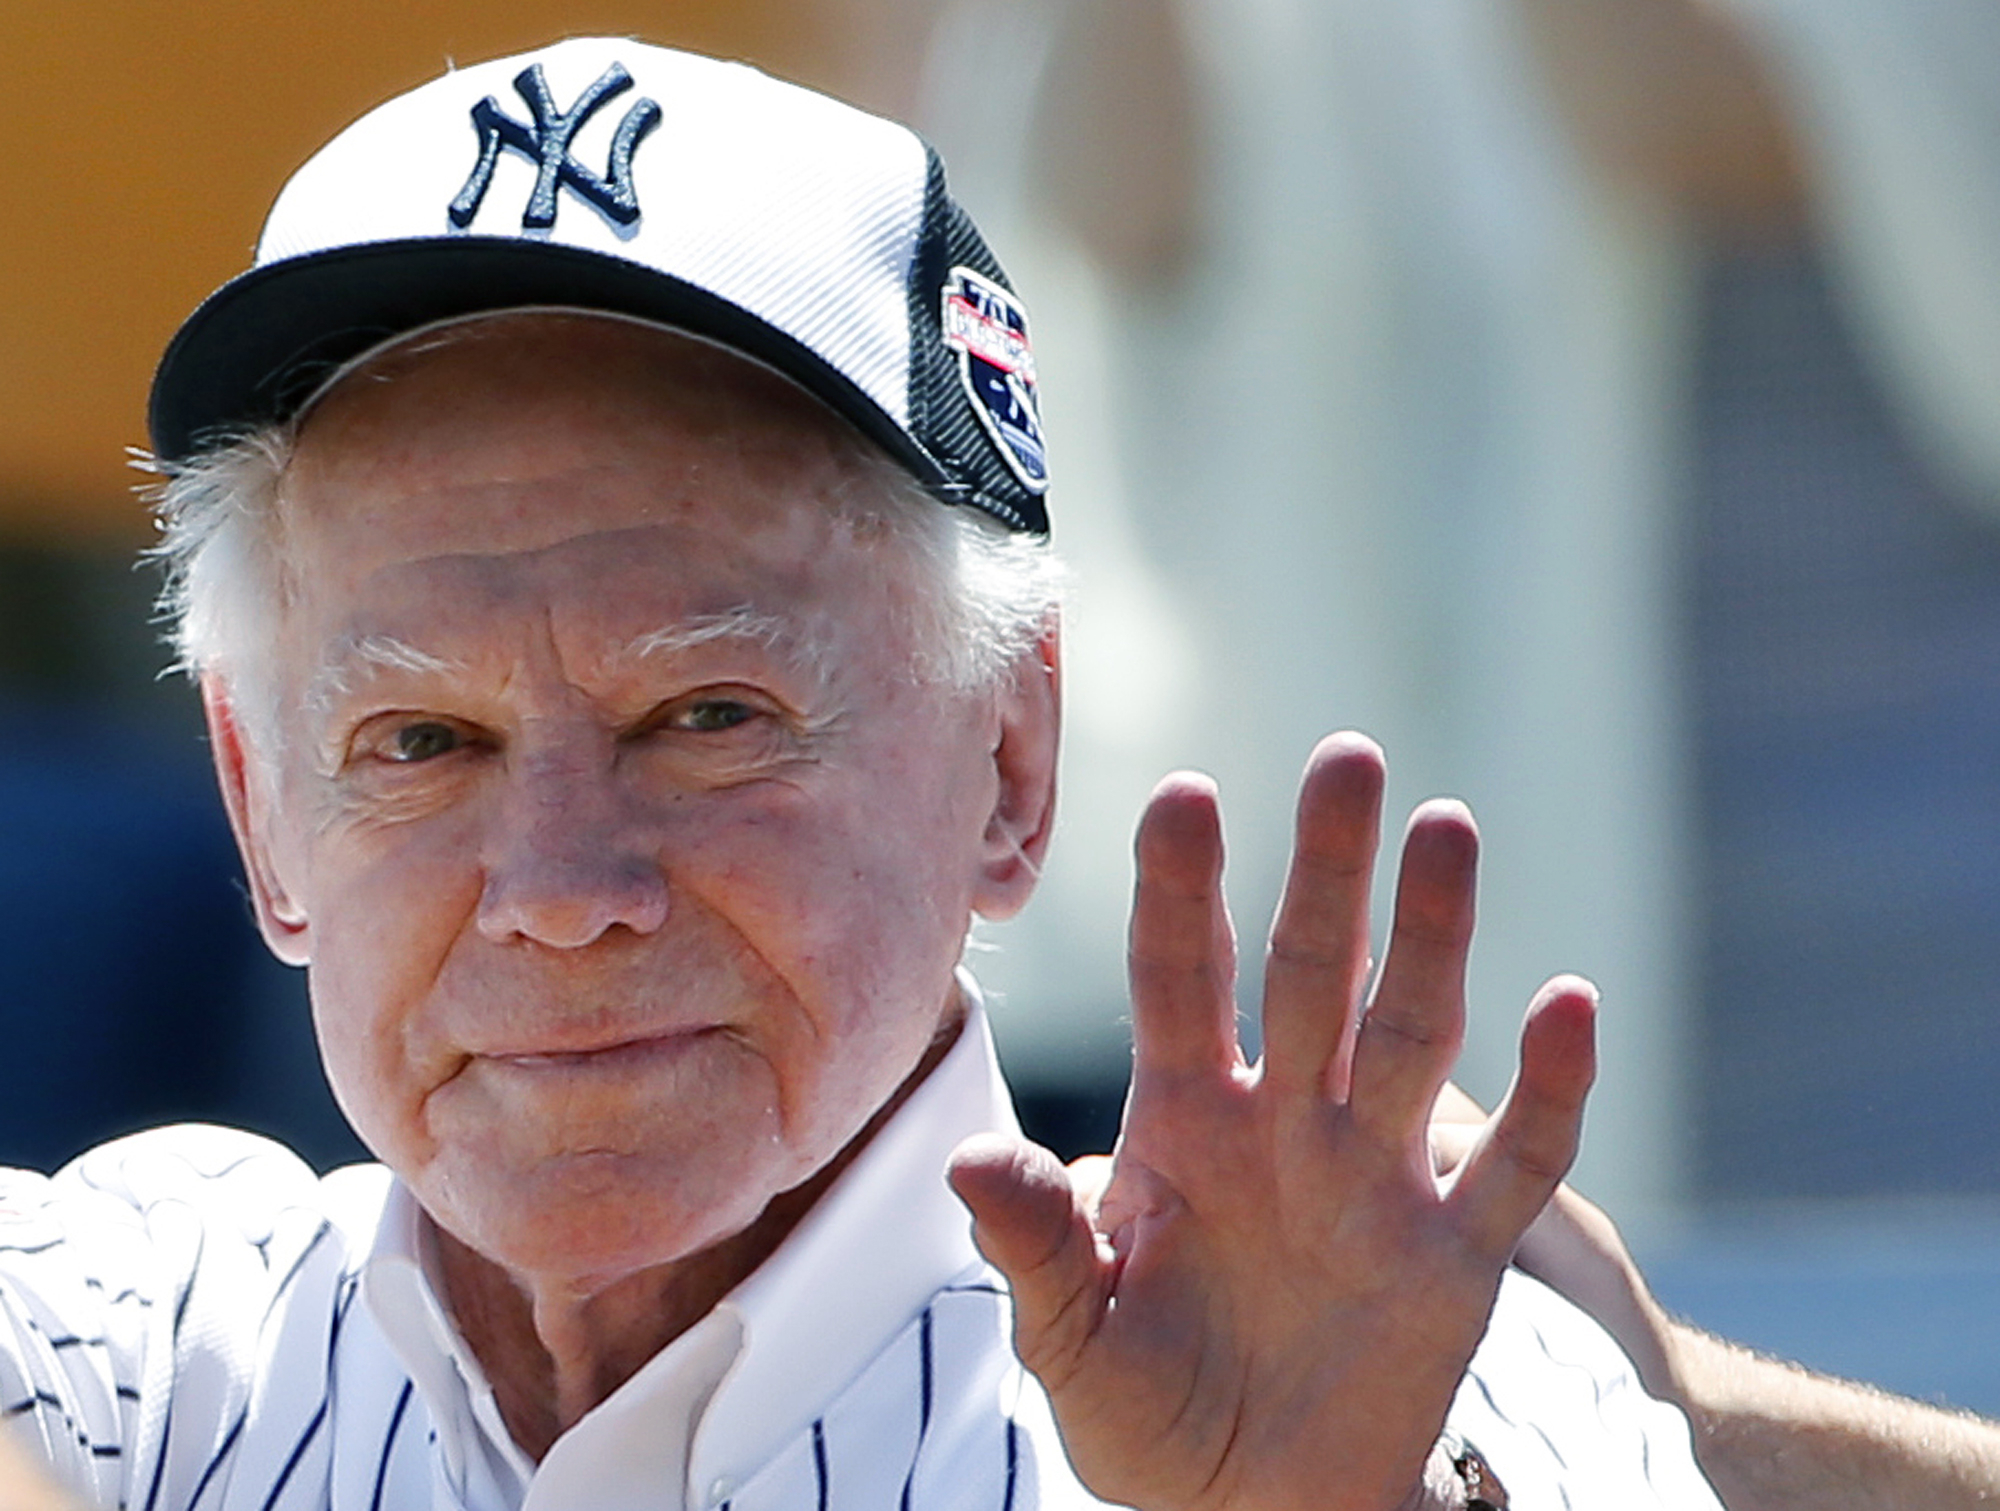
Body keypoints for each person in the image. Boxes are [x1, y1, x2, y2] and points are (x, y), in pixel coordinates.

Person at [0, 37, 1725, 1511]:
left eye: (709, 717)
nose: (560, 888)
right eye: (423, 743)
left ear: (1012, 756)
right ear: (259, 810)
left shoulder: (1381, 1373)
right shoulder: (170, 1332)